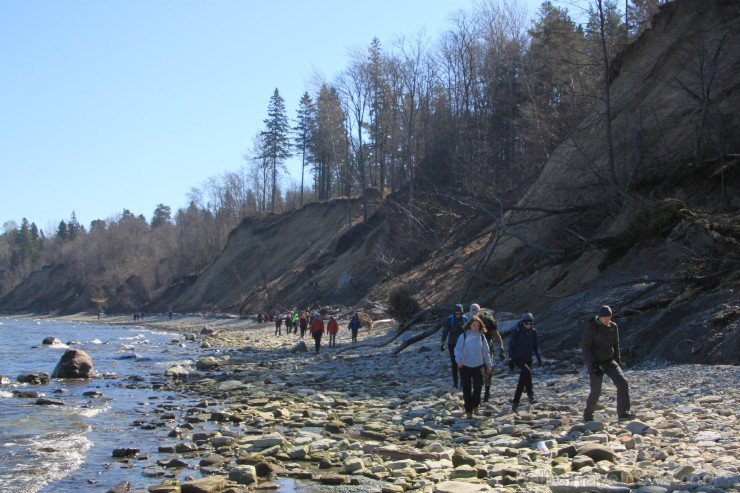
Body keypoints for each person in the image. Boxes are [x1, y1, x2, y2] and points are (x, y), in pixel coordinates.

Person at [582, 305, 634, 421]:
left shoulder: (613, 327)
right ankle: (588, 415)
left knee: (622, 383)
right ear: (599, 317)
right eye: (604, 317)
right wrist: (593, 363)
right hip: (595, 362)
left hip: (610, 361)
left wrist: (618, 362)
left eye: (608, 317)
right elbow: (586, 347)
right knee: (596, 390)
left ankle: (623, 412)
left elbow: (616, 345)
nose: (607, 319)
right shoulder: (592, 327)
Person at [456, 316, 493, 419]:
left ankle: (475, 406)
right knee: (466, 388)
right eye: (474, 325)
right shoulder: (463, 336)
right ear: (469, 325)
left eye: (477, 325)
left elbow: (486, 352)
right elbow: (458, 349)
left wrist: (489, 364)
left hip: (478, 365)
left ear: (480, 326)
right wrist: (458, 359)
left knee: (478, 386)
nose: (476, 327)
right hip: (465, 365)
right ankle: (468, 411)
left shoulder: (482, 337)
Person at [469, 303, 506, 402]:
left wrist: (501, 347)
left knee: (488, 370)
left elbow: (496, 334)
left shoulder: (488, 320)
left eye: (476, 313)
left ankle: (487, 392)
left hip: (488, 348)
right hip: (475, 349)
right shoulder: (469, 321)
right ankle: (476, 393)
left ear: (479, 311)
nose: (474, 316)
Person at [507, 312, 542, 411]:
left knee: (522, 381)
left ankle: (515, 403)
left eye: (530, 323)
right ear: (522, 322)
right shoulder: (517, 331)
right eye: (526, 323)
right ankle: (531, 395)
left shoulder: (533, 332)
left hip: (528, 359)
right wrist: (510, 360)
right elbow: (511, 346)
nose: (528, 325)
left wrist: (539, 357)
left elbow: (535, 346)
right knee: (527, 372)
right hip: (518, 358)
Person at [440, 304, 468, 388]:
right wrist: (442, 344)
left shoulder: (465, 319)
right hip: (452, 344)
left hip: (462, 343)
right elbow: (445, 332)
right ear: (454, 313)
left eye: (460, 313)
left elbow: (469, 331)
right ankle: (455, 383)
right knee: (454, 363)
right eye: (456, 314)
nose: (458, 315)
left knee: (462, 362)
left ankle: (462, 382)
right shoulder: (450, 319)